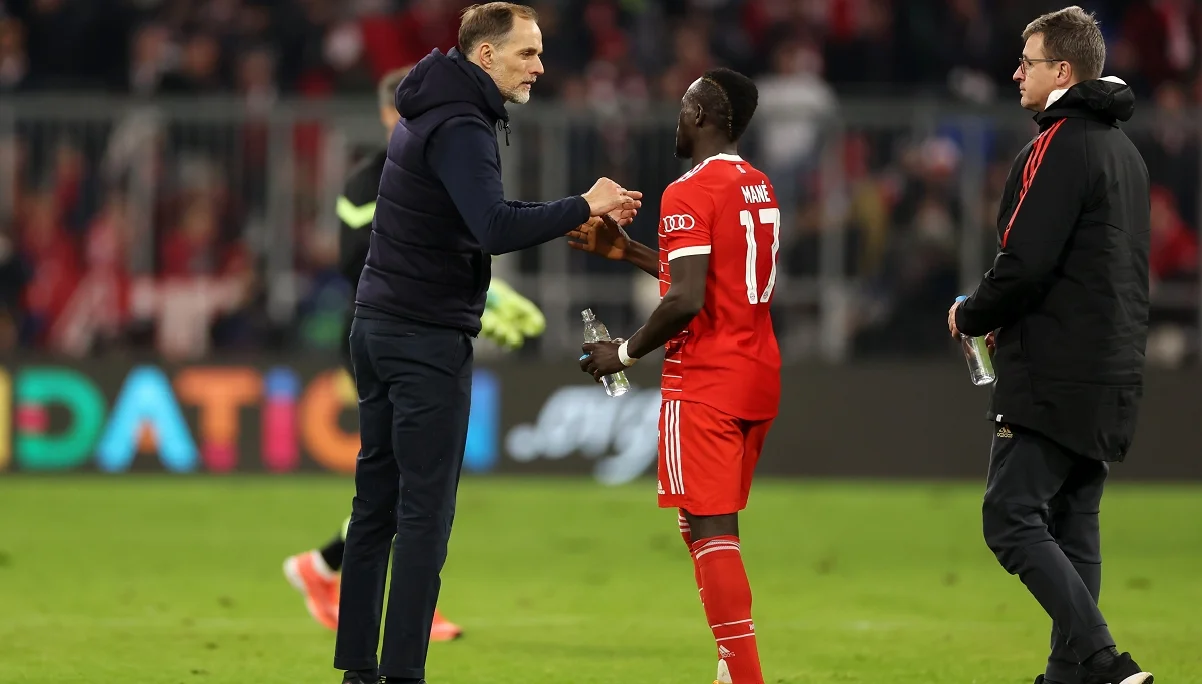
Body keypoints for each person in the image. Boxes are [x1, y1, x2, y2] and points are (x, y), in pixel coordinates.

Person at [334, 3, 641, 683]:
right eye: (527, 53)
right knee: (424, 516)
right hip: (424, 338)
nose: (539, 66)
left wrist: (572, 210)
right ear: (486, 56)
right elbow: (494, 228)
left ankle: (358, 670)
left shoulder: (431, 106)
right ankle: (402, 675)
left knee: (375, 508)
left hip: (377, 325)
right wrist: (585, 202)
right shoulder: (464, 124)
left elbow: (479, 216)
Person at [282, 64, 549, 642]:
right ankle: (403, 607)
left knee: (407, 479)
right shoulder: (368, 179)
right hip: (384, 329)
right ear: (390, 113)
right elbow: (355, 261)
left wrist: (487, 295)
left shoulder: (442, 167)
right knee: (411, 480)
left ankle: (328, 569)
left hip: (420, 325)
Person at [947, 7, 1153, 684]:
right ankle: (1069, 677)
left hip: (1055, 368)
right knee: (1074, 521)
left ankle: (1106, 663)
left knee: (1009, 517)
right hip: (1113, 366)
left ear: (1062, 70)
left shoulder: (1058, 144)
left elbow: (1025, 262)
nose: (1016, 73)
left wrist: (971, 314)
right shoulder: (1126, 154)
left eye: (1027, 61)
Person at [575, 68, 777, 684]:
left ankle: (743, 673)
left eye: (684, 105)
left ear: (701, 116)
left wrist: (624, 353)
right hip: (756, 373)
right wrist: (630, 251)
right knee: (704, 523)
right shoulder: (758, 185)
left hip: (705, 378)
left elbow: (686, 300)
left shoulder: (688, 190)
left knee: (712, 531)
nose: (677, 117)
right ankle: (730, 668)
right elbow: (712, 281)